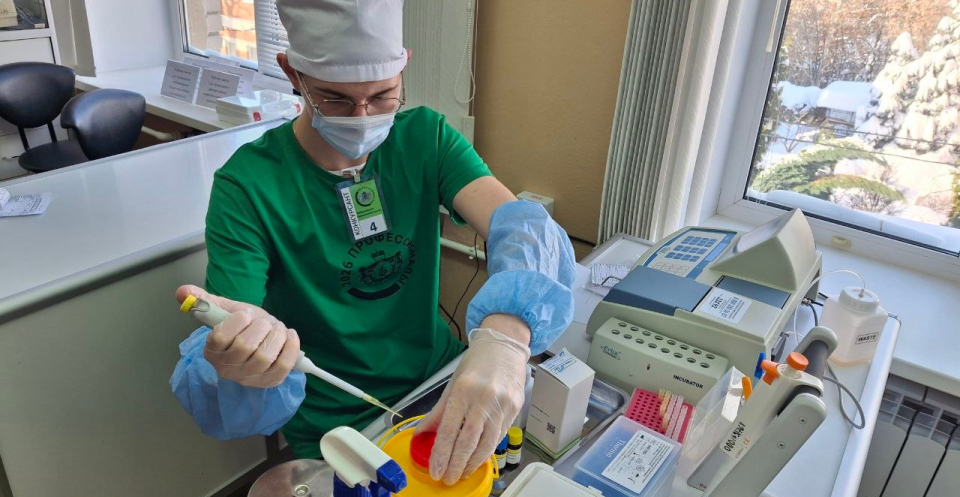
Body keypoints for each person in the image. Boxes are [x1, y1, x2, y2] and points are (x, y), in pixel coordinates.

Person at [170, 0, 575, 486]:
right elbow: (236, 331)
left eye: (383, 96)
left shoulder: (426, 138)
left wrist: (506, 338)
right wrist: (240, 359)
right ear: (292, 73)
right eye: (335, 99)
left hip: (439, 378)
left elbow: (527, 229)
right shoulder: (248, 186)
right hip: (339, 419)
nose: (362, 117)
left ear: (403, 68)